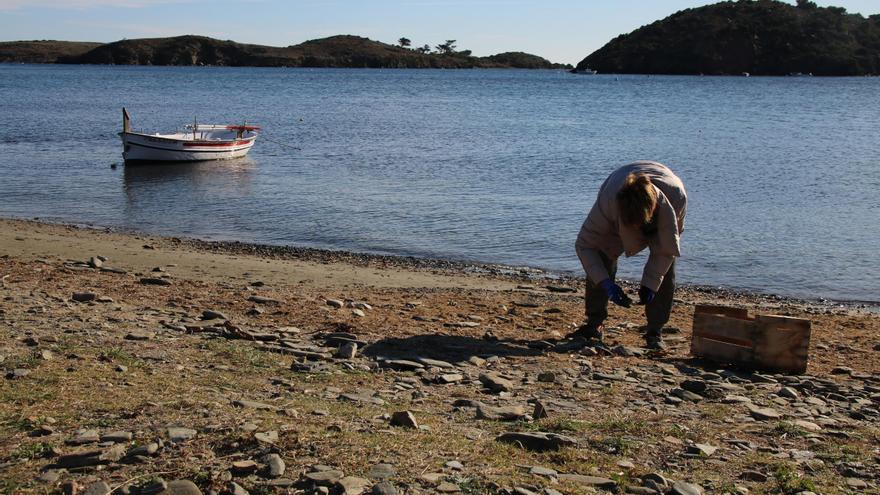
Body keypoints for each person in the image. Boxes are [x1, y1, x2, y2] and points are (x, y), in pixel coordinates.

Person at [572, 161, 687, 350]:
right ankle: (594, 324)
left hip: (666, 201)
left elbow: (665, 251)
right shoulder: (608, 202)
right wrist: (604, 282)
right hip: (616, 186)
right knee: (602, 252)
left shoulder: (677, 198)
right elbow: (585, 245)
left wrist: (651, 285)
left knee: (667, 264)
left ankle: (655, 331)